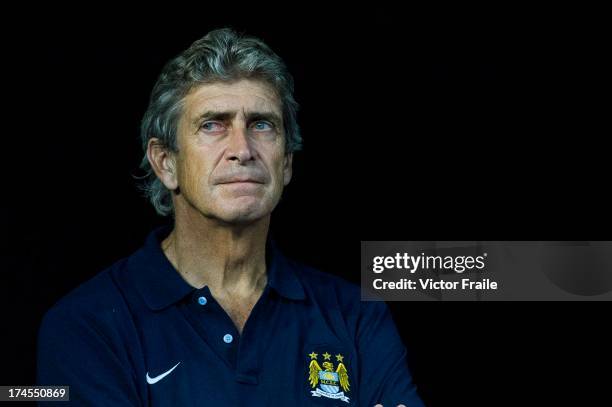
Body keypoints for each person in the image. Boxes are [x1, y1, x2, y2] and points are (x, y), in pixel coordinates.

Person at [37, 28, 424, 406]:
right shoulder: (87, 326)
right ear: (166, 162)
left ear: (286, 162)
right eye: (212, 125)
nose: (242, 149)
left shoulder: (356, 316)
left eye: (261, 124)